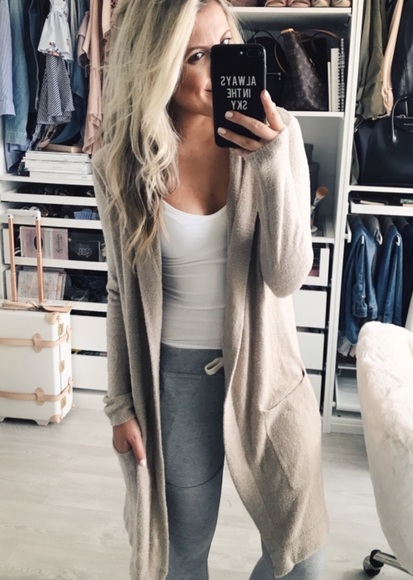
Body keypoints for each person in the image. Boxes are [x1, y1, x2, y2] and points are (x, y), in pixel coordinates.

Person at [93, 0, 329, 578]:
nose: (220, 67)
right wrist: (120, 403)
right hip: (174, 382)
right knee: (182, 556)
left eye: (225, 45)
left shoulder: (279, 135)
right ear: (158, 66)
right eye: (197, 56)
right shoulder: (121, 160)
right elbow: (121, 291)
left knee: (302, 559)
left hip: (268, 374)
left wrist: (270, 164)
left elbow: (286, 275)